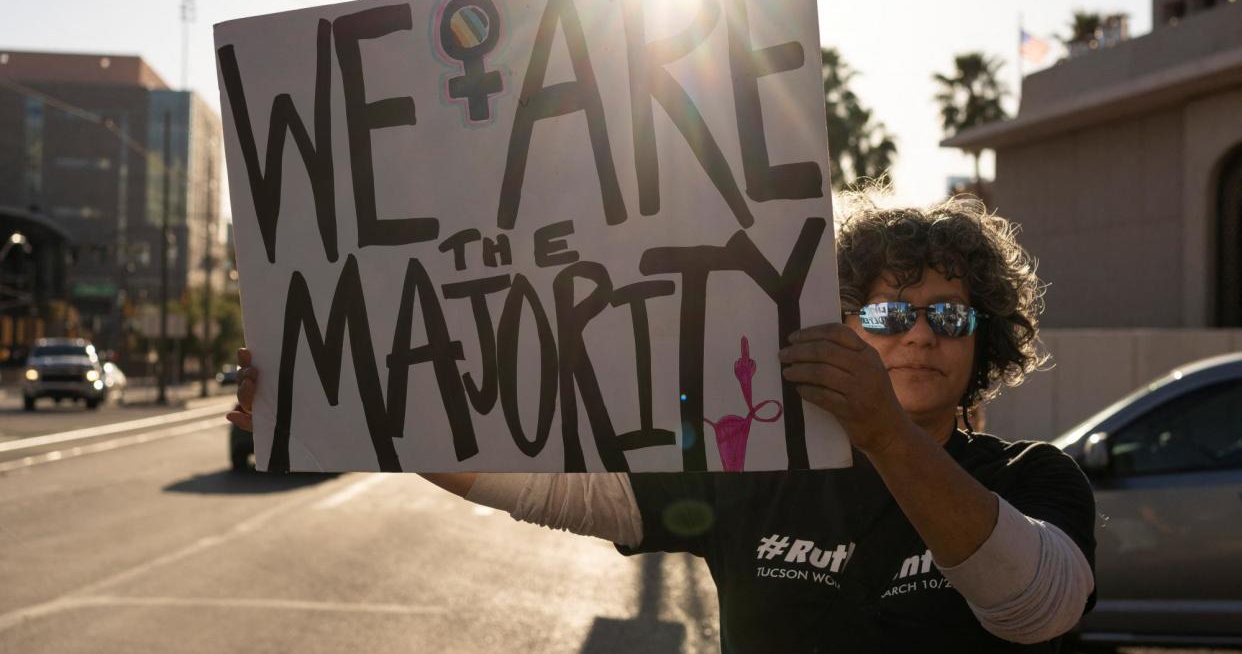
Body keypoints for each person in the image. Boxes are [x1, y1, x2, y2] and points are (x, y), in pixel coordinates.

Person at [228, 195, 1096, 652]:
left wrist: (884, 434)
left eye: (948, 317)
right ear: (835, 324)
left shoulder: (1035, 480)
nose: (915, 335)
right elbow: (541, 487)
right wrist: (336, 399)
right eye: (885, 315)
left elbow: (1035, 610)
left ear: (985, 340)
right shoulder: (758, 465)